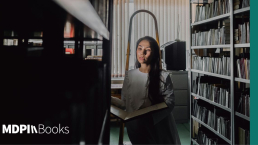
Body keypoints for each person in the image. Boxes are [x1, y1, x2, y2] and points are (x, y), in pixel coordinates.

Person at [111, 36, 181, 144]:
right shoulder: (130, 75)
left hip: (158, 126)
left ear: (154, 54)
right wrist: (110, 99)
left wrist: (151, 119)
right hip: (136, 128)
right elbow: (125, 103)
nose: (142, 53)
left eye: (147, 50)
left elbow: (170, 102)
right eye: (139, 48)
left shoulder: (163, 76)